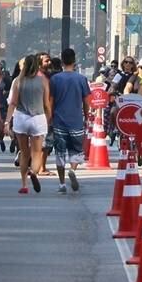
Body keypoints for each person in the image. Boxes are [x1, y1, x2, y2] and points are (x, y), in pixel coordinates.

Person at [6, 54, 51, 194]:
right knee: (37, 152)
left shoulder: (18, 81)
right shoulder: (43, 80)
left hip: (21, 118)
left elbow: (12, 103)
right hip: (38, 118)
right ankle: (34, 172)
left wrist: (7, 121)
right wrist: (48, 118)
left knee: (24, 153)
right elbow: (46, 103)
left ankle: (24, 184)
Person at [49, 48, 91, 194]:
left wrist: (50, 118)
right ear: (74, 61)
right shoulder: (81, 79)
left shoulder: (55, 79)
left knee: (60, 153)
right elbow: (86, 101)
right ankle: (72, 169)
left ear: (61, 61)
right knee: (76, 151)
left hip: (59, 121)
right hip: (76, 121)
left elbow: (50, 101)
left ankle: (61, 184)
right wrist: (87, 116)